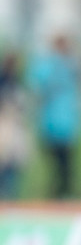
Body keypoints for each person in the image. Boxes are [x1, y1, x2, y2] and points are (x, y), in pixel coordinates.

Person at [27, 35, 81, 199]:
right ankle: (58, 193)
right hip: (54, 123)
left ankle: (62, 193)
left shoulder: (69, 64)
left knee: (65, 164)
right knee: (58, 164)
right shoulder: (50, 65)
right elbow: (36, 85)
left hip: (64, 123)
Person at [0, 51, 29, 199]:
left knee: (13, 166)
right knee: (4, 164)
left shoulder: (17, 81)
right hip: (4, 125)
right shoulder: (3, 82)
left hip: (15, 127)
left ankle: (10, 197)